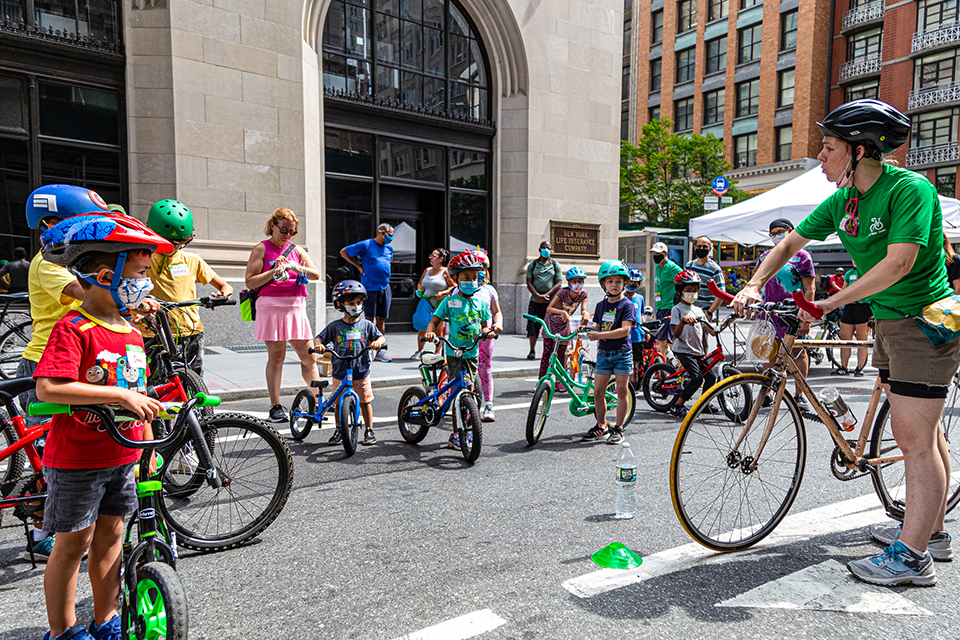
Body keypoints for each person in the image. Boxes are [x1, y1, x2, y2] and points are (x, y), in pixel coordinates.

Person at [735, 99, 954, 586]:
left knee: (915, 441)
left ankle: (912, 557)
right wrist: (753, 282)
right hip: (889, 323)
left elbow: (899, 263)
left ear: (860, 150)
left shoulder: (910, 189)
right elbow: (790, 243)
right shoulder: (845, 201)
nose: (819, 156)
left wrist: (831, 306)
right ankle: (931, 533)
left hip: (923, 324)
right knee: (924, 431)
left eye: (829, 147)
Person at [34, 212, 170, 640]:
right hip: (78, 459)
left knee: (112, 539)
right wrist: (118, 396)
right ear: (107, 275)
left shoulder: (130, 332)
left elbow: (141, 397)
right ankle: (64, 631)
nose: (146, 284)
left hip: (123, 456)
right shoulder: (73, 328)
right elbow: (49, 388)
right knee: (72, 545)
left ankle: (106, 619)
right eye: (142, 273)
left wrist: (146, 450)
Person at [244, 208, 322, 423]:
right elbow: (250, 281)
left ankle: (317, 401)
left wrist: (296, 267)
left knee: (310, 356)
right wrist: (272, 273)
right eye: (284, 230)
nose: (288, 235)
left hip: (296, 305)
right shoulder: (261, 248)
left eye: (292, 232)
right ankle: (275, 406)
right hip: (271, 306)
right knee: (276, 357)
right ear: (273, 226)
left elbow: (316, 273)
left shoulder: (296, 250)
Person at [143, 199, 233, 382]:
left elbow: (225, 285)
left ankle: (196, 410)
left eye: (180, 243)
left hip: (190, 331)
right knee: (155, 381)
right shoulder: (143, 259)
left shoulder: (192, 260)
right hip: (154, 332)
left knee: (193, 380)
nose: (175, 248)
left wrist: (222, 294)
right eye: (169, 243)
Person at [424, 251, 493, 450]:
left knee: (469, 392)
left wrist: (488, 331)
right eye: (465, 278)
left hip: (472, 353)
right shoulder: (449, 301)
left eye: (474, 278)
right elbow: (434, 321)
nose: (470, 281)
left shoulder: (480, 302)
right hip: (454, 353)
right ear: (456, 279)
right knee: (457, 395)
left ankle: (467, 424)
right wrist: (430, 333)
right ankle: (456, 435)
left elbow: (484, 324)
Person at [754, 218, 815, 411]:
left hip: (794, 313)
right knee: (768, 352)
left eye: (780, 231)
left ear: (791, 231)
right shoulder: (765, 256)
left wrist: (807, 315)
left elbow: (809, 288)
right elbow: (757, 281)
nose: (776, 236)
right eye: (772, 233)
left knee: (797, 352)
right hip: (769, 312)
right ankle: (768, 393)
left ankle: (799, 395)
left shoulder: (802, 256)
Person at [314, 280, 385, 446]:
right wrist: (318, 345)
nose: (356, 306)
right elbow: (319, 338)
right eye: (351, 303)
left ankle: (369, 430)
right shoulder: (335, 326)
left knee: (366, 401)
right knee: (339, 403)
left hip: (361, 370)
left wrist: (378, 342)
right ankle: (339, 429)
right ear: (340, 305)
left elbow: (381, 336)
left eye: (359, 302)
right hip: (340, 371)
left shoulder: (367, 325)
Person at [582, 260, 635, 445]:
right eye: (610, 281)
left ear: (624, 283)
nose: (614, 285)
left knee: (621, 391)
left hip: (622, 353)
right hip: (604, 353)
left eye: (618, 281)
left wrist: (599, 335)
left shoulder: (627, 305)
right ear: (603, 283)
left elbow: (625, 330)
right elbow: (597, 325)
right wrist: (587, 326)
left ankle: (618, 428)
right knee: (598, 392)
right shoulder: (600, 306)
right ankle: (601, 425)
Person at [340, 223, 395, 363]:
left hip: (384, 287)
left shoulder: (389, 248)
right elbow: (343, 252)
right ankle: (368, 349)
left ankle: (380, 350)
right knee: (369, 319)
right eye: (390, 234)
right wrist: (358, 266)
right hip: (370, 287)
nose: (391, 237)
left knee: (381, 319)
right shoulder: (366, 245)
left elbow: (388, 261)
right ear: (381, 232)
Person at [669, 270, 719, 418]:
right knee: (697, 378)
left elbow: (711, 331)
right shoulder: (677, 309)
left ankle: (704, 404)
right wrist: (683, 321)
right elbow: (676, 334)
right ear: (679, 292)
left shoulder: (698, 311)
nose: (692, 293)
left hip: (698, 351)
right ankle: (677, 405)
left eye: (695, 290)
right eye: (688, 291)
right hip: (684, 350)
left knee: (710, 377)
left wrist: (729, 321)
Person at [469, 249, 504, 422]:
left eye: (483, 267)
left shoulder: (490, 290)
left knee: (484, 369)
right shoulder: (458, 291)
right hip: (464, 337)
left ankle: (488, 405)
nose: (480, 271)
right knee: (465, 371)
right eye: (477, 267)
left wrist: (498, 324)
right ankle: (466, 406)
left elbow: (497, 312)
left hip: (486, 336)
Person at [542, 266, 590, 391]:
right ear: (569, 282)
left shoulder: (583, 294)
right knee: (547, 353)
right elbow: (549, 309)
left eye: (580, 281)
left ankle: (559, 381)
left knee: (561, 354)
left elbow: (584, 309)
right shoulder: (562, 293)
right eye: (574, 281)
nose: (577, 284)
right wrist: (562, 312)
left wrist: (585, 314)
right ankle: (541, 381)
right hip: (551, 323)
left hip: (564, 325)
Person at [412, 248, 455, 359]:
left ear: (441, 259)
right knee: (422, 326)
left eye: (434, 256)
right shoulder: (427, 270)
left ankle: (437, 352)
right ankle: (420, 351)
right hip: (426, 300)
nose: (431, 257)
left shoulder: (445, 272)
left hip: (439, 303)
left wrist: (444, 292)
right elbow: (420, 283)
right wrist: (419, 289)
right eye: (431, 255)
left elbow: (454, 287)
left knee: (438, 329)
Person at [525, 240, 563, 360]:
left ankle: (549, 352)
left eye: (549, 248)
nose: (546, 249)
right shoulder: (533, 265)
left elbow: (559, 283)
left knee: (551, 328)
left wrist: (547, 295)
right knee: (533, 326)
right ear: (539, 249)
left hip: (551, 303)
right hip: (535, 302)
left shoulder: (555, 265)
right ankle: (532, 350)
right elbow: (529, 283)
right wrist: (537, 295)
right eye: (544, 247)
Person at [836, 262, 871, 376]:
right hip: (849, 307)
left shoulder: (867, 271)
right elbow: (843, 290)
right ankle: (843, 367)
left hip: (863, 307)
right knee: (845, 338)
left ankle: (860, 367)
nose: (854, 260)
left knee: (862, 339)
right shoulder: (849, 273)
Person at [652, 242, 682, 357]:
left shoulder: (672, 267)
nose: (655, 255)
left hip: (669, 307)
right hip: (660, 307)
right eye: (654, 253)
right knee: (661, 339)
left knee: (665, 340)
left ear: (665, 254)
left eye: (657, 253)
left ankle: (667, 367)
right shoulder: (657, 267)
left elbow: (684, 277)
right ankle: (666, 365)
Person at [685, 236, 725, 320]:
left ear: (710, 249)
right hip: (688, 312)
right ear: (695, 247)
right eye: (699, 246)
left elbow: (721, 294)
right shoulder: (689, 266)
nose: (701, 248)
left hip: (703, 314)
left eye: (705, 246)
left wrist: (710, 312)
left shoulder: (715, 269)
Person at [624, 268, 646, 379]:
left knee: (637, 359)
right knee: (628, 360)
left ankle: (635, 380)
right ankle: (630, 381)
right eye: (630, 283)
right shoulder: (622, 298)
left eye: (635, 284)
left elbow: (641, 315)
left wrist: (645, 329)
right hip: (626, 335)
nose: (632, 285)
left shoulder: (640, 298)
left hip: (638, 334)